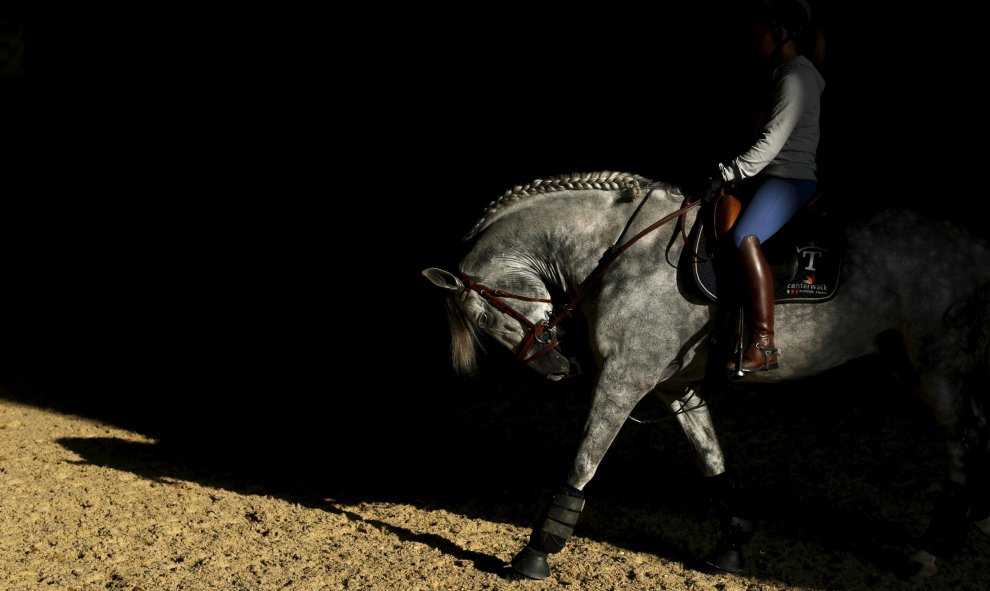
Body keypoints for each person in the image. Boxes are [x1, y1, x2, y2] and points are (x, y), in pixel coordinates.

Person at [704, 0, 826, 374]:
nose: (754, 43)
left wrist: (727, 173)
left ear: (783, 33)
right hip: (771, 177)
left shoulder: (795, 78)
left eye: (760, 35)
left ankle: (763, 344)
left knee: (745, 236)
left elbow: (770, 144)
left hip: (790, 180)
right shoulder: (782, 74)